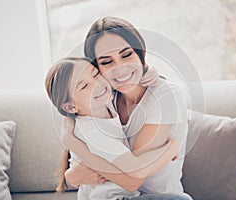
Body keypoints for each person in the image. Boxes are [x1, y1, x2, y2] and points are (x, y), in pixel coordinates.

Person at [63, 17, 192, 200]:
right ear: (96, 68)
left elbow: (132, 177)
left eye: (127, 55)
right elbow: (71, 111)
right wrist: (70, 174)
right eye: (107, 62)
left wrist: (72, 145)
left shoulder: (166, 97)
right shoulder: (105, 97)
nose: (120, 68)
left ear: (140, 52)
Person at [45, 57, 180, 200]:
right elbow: (134, 173)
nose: (97, 84)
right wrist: (171, 148)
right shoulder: (93, 132)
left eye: (96, 74)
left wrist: (148, 72)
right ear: (71, 107)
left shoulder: (103, 103)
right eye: (84, 86)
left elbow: (126, 78)